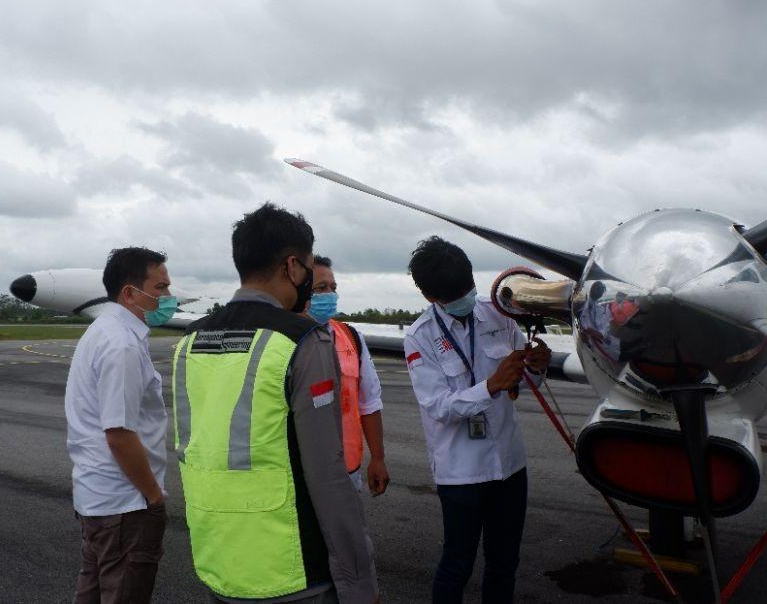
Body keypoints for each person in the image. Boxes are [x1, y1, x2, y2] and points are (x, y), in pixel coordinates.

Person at [172, 203, 379, 603]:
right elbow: (328, 476)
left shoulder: (190, 342)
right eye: (307, 268)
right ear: (292, 267)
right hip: (290, 568)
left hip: (218, 560)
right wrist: (359, 580)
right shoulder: (302, 340)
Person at [402, 236, 551, 604]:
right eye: (455, 295)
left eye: (468, 288)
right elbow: (437, 405)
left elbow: (522, 382)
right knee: (458, 564)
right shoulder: (420, 337)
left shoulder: (500, 315)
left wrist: (538, 368)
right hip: (461, 474)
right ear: (429, 297)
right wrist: (490, 385)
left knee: (504, 563)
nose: (466, 299)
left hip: (509, 467)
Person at [64, 247, 177, 604]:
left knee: (93, 593)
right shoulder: (121, 345)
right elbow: (119, 434)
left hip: (99, 500)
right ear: (130, 293)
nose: (168, 297)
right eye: (160, 288)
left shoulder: (105, 331)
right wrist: (153, 496)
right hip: (125, 505)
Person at [305, 255, 390, 495]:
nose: (330, 294)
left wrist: (378, 457)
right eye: (320, 288)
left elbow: (369, 402)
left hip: (348, 469)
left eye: (333, 287)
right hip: (301, 474)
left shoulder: (351, 338)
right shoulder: (283, 340)